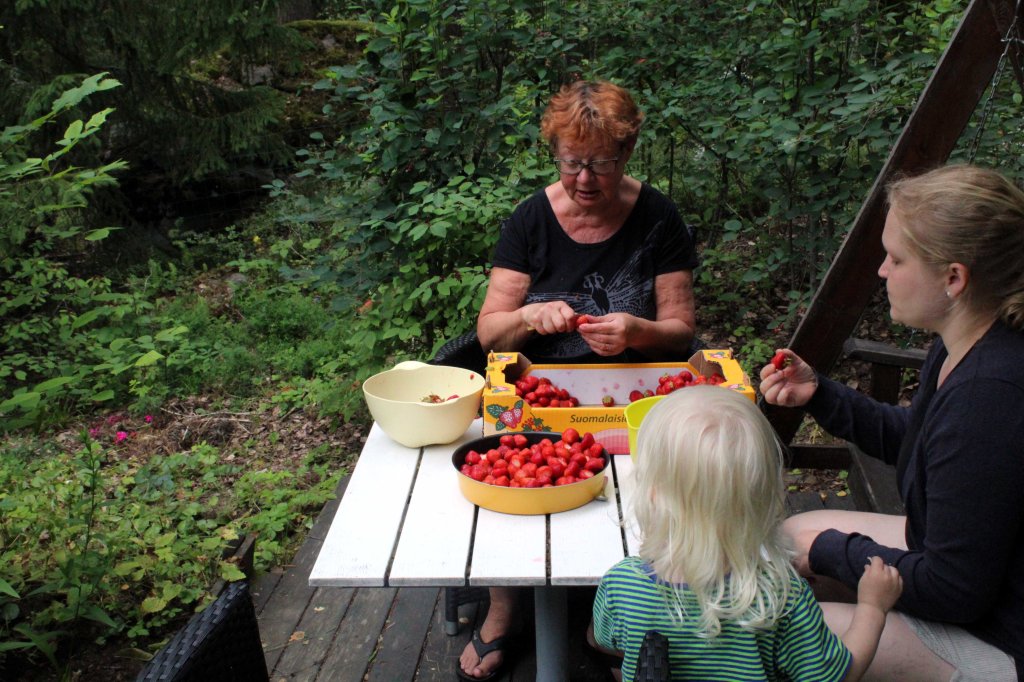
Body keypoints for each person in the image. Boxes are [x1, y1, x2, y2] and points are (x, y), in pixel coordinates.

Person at [458, 80, 700, 680]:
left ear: (628, 153)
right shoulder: (530, 220)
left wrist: (637, 330)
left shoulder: (659, 216)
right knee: (506, 471)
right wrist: (528, 316)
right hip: (541, 396)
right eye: (572, 164)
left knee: (668, 482)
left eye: (601, 164)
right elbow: (490, 334)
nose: (586, 179)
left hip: (632, 395)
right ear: (555, 154)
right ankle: (505, 607)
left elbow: (681, 331)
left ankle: (630, 608)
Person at [760, 164, 1024, 680]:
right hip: (966, 572)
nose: (882, 270)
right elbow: (921, 442)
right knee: (790, 538)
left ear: (954, 277)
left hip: (1001, 634)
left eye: (896, 258)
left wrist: (833, 552)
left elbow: (953, 590)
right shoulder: (965, 343)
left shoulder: (990, 396)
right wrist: (821, 395)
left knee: (783, 636)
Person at [590, 385, 902, 681]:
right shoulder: (781, 596)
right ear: (767, 497)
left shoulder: (622, 584)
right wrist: (872, 608)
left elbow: (606, 641)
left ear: (652, 493)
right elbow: (839, 676)